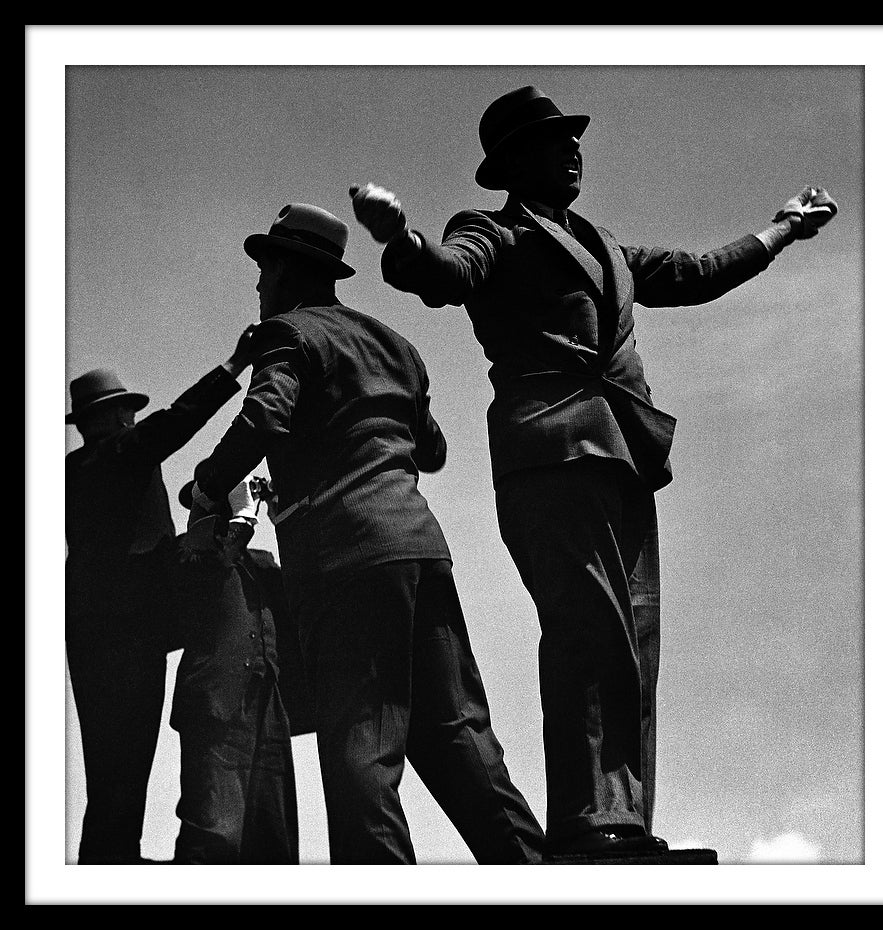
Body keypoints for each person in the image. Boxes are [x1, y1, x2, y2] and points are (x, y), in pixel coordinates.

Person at [349, 85, 838, 858]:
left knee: (634, 646)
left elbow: (696, 272)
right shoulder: (492, 230)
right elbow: (446, 275)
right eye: (553, 140)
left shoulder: (605, 243)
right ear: (512, 163)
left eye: (574, 138)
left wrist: (784, 229)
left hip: (626, 454)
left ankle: (625, 820)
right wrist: (400, 240)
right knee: (589, 635)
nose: (573, 149)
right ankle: (587, 822)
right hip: (550, 453)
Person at [188, 202, 545, 864]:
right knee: (460, 737)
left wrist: (208, 487)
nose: (260, 287)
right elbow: (431, 449)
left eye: (264, 272)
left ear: (289, 272)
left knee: (362, 744)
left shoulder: (289, 334)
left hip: (342, 560)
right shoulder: (396, 345)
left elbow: (264, 420)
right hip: (420, 548)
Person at [65, 329, 255, 864]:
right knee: (126, 762)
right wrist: (235, 365)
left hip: (86, 634)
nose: (131, 419)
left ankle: (109, 859)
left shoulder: (68, 475)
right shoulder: (123, 452)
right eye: (125, 411)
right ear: (112, 419)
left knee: (109, 770)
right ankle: (112, 864)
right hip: (130, 633)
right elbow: (177, 420)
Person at [170, 472, 309, 864]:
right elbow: (208, 568)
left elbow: (304, 593)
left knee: (274, 845)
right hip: (217, 709)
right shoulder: (188, 555)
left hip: (269, 715)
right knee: (213, 838)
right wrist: (243, 518)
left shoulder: (263, 565)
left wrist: (287, 516)